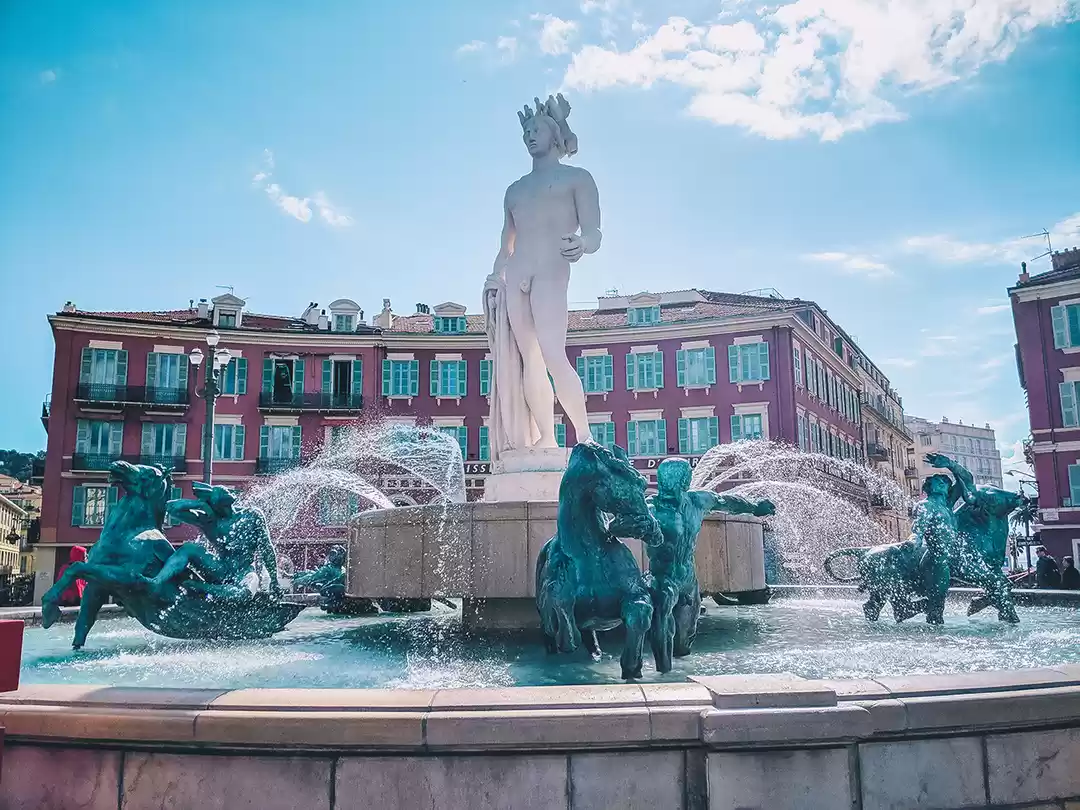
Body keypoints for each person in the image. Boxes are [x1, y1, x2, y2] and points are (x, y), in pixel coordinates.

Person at [483, 93, 600, 459]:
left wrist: (582, 244)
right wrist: (493, 276)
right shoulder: (514, 191)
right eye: (526, 132)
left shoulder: (577, 179)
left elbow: (595, 233)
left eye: (537, 129)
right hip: (517, 275)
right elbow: (507, 244)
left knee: (553, 355)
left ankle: (585, 437)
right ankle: (546, 439)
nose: (530, 136)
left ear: (554, 134)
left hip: (551, 271)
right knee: (529, 359)